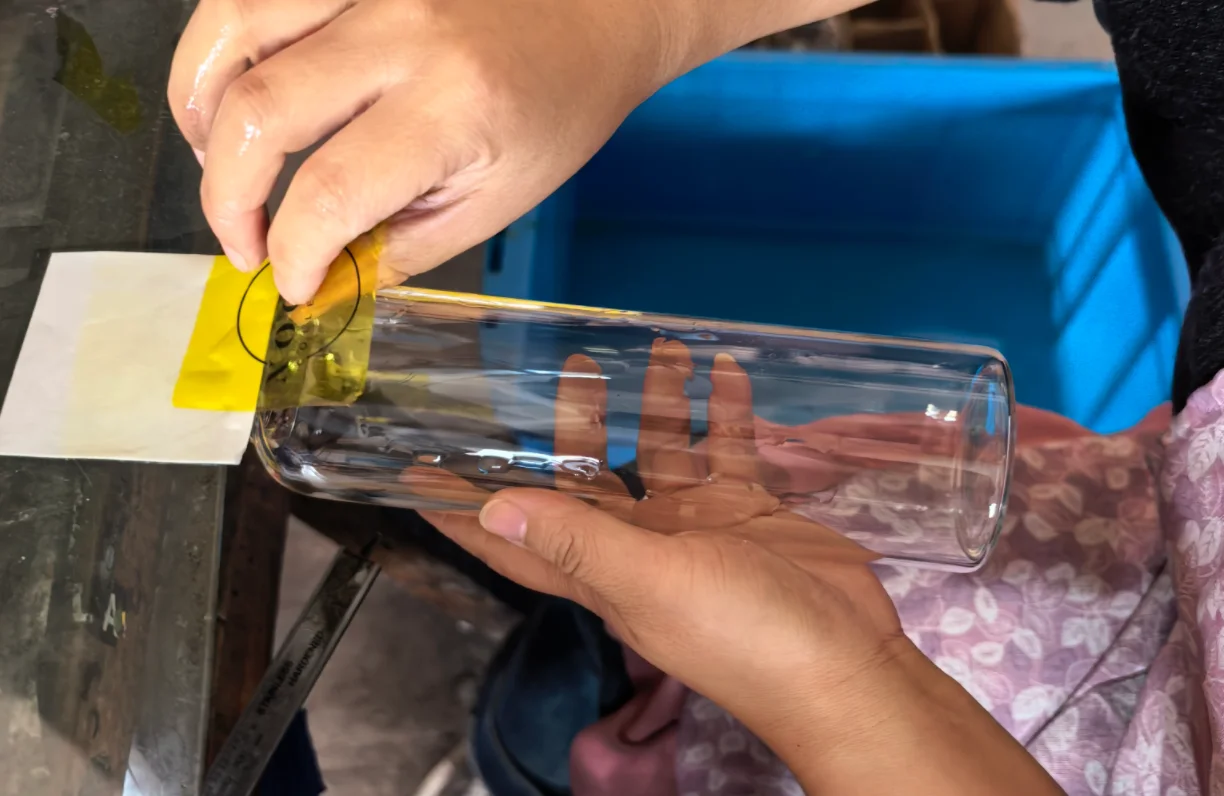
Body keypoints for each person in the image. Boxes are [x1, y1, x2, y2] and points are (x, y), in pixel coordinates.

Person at [168, 0, 1224, 793]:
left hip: (924, 724)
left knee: (574, 691)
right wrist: (625, 21)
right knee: (599, 612)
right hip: (1093, 523)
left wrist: (838, 683)